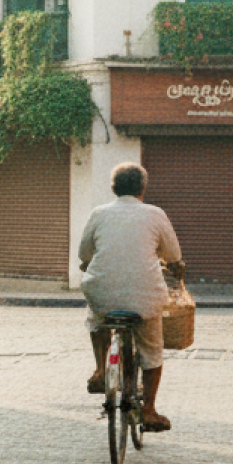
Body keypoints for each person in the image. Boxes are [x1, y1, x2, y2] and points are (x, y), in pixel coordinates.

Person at [78, 162, 183, 432]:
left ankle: (101, 371)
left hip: (102, 293)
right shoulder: (155, 214)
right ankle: (148, 410)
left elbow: (84, 254)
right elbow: (173, 256)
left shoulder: (99, 214)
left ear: (113, 188)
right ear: (143, 188)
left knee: (96, 318)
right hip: (145, 297)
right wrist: (173, 265)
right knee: (151, 348)